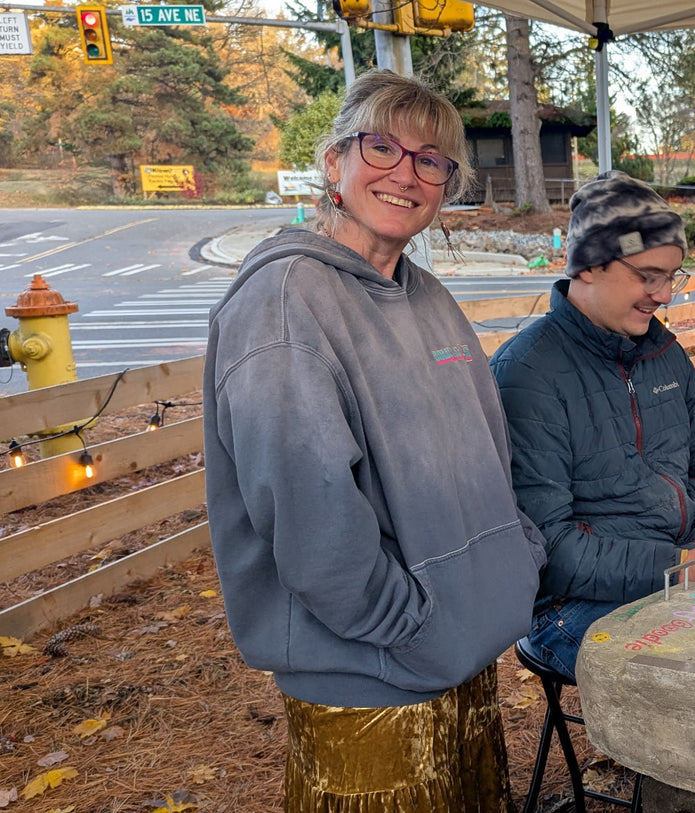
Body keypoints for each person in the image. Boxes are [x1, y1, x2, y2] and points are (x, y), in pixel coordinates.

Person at [203, 70, 545, 812]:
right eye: (382, 146)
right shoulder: (285, 300)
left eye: (431, 160)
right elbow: (305, 507)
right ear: (334, 161)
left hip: (458, 649)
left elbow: (487, 451)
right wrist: (405, 625)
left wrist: (512, 558)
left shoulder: (426, 296)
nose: (406, 173)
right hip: (369, 676)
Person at [490, 170, 695, 681]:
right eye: (649, 275)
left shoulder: (663, 353)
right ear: (590, 265)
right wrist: (690, 566)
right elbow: (546, 551)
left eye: (672, 277)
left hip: (685, 571)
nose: (664, 295)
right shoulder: (525, 375)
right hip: (573, 607)